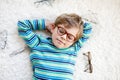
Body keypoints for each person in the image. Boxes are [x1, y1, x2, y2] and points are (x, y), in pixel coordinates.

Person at [17, 13, 92, 80]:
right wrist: (45, 24)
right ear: (53, 28)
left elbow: (88, 28)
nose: (64, 37)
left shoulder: (73, 48)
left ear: (74, 41)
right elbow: (22, 26)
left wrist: (77, 23)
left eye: (70, 37)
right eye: (61, 31)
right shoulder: (38, 43)